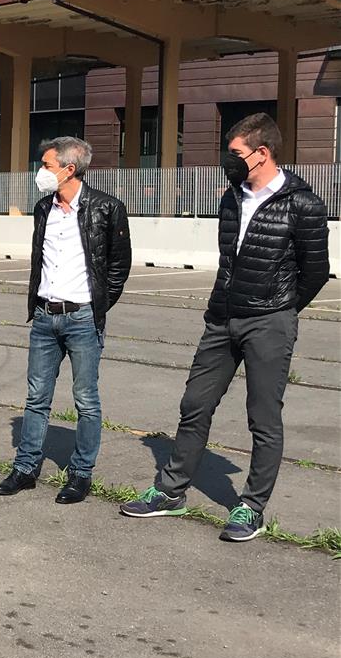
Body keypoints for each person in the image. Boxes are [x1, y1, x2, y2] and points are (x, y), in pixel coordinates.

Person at [122, 114, 330, 542]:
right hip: (221, 319)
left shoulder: (303, 204)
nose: (227, 161)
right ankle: (171, 492)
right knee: (194, 404)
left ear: (262, 153)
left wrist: (280, 309)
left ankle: (251, 507)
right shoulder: (232, 199)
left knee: (263, 417)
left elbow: (315, 271)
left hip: (269, 321)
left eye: (235, 154)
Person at [0, 136, 131, 503]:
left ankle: (81, 473)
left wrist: (96, 307)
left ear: (69, 169)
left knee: (86, 399)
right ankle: (25, 468)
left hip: (82, 318)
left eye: (46, 165)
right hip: (44, 316)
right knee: (36, 397)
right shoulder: (43, 208)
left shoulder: (107, 208)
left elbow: (118, 268)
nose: (40, 171)